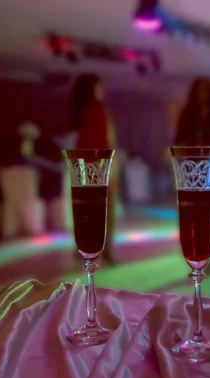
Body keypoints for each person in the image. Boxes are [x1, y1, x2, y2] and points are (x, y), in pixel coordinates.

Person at [174, 77, 210, 275]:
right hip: (190, 167)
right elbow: (178, 139)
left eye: (206, 91)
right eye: (200, 90)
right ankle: (195, 254)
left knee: (209, 211)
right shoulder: (187, 113)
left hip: (209, 166)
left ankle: (208, 256)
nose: (203, 95)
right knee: (191, 211)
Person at [70, 74, 118, 264]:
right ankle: (106, 250)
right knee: (107, 209)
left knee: (87, 210)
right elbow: (105, 141)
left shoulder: (79, 112)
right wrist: (111, 168)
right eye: (99, 87)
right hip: (100, 166)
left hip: (84, 167)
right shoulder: (97, 111)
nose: (102, 90)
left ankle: (86, 246)